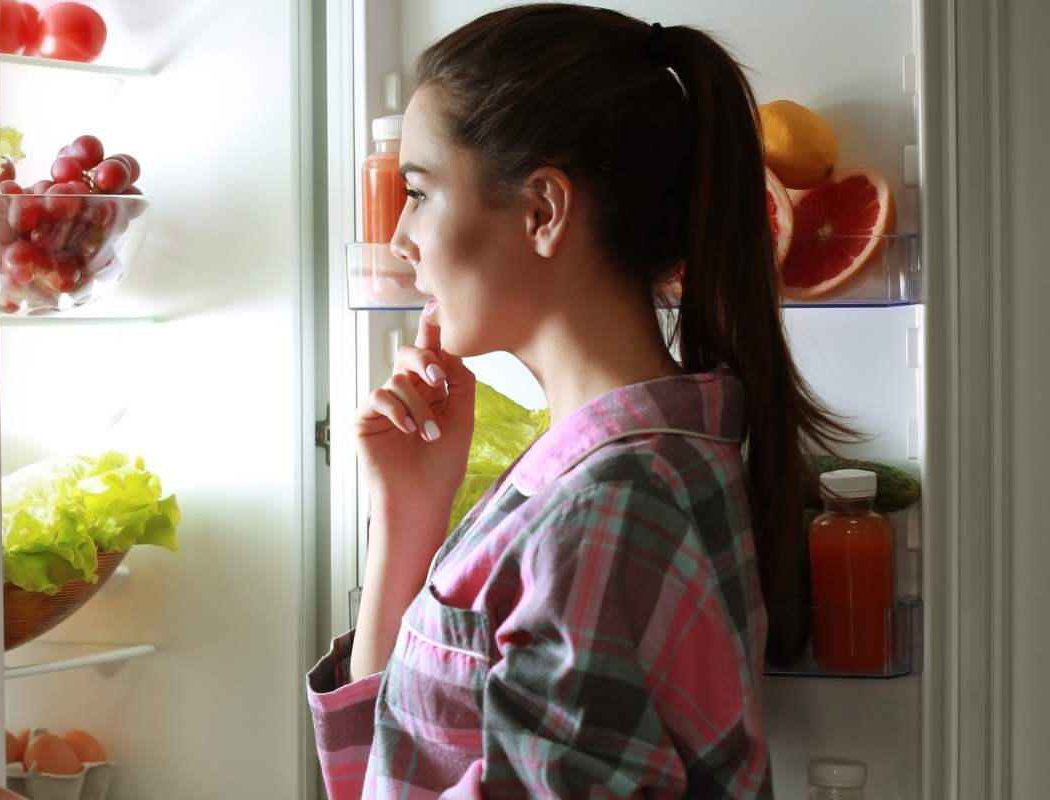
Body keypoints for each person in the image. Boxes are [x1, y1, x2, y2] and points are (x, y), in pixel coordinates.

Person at [308, 5, 851, 798]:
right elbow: (401, 757)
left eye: (419, 192)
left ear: (542, 212)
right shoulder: (624, 465)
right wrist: (408, 518)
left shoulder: (606, 509)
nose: (399, 240)